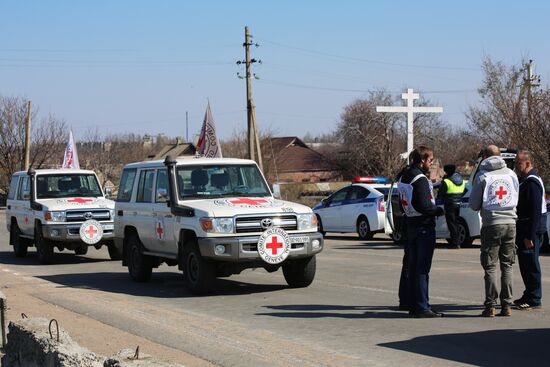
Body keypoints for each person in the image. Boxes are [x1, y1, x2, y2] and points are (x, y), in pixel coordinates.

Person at [469, 145, 519, 317]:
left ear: (485, 157)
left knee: (490, 266)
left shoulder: (482, 175)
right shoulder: (511, 174)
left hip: (491, 224)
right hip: (511, 223)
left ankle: (490, 305)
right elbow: (515, 197)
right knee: (507, 265)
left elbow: (474, 205)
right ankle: (507, 306)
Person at [398, 146, 445, 318]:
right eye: (430, 160)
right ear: (422, 160)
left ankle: (410, 302)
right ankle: (421, 306)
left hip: (410, 224)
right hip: (423, 226)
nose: (431, 163)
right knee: (422, 268)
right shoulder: (420, 179)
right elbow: (423, 205)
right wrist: (438, 211)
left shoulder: (404, 176)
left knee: (411, 266)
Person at [514, 150, 546, 310]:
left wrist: (530, 236)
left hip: (530, 231)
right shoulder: (525, 180)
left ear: (527, 163)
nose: (516, 166)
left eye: (518, 163)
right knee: (525, 265)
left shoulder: (532, 182)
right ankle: (528, 294)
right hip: (525, 229)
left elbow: (534, 212)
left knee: (531, 265)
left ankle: (534, 298)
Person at [437, 164, 466, 249]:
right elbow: (465, 190)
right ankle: (457, 242)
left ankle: (455, 243)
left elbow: (440, 195)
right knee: (456, 223)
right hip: (458, 204)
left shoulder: (446, 181)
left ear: (447, 171)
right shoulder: (462, 180)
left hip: (449, 205)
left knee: (451, 224)